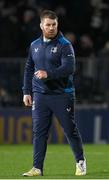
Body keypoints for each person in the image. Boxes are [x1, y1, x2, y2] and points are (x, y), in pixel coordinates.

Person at [22, 10, 86, 176]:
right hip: (40, 95)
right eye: (48, 25)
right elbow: (29, 68)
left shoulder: (64, 45)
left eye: (54, 24)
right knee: (39, 132)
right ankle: (37, 168)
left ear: (57, 25)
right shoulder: (34, 45)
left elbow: (69, 68)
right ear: (41, 25)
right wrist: (26, 91)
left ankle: (80, 162)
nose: (51, 28)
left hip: (61, 94)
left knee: (69, 130)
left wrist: (48, 74)